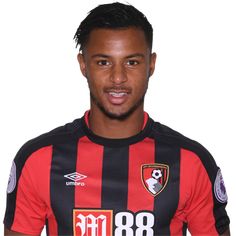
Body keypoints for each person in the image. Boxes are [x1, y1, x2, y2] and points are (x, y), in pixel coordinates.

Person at [4, 2, 230, 236]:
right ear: (83, 65)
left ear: (151, 64)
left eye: (132, 62)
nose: (118, 78)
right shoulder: (38, 159)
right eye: (103, 62)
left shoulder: (191, 162)